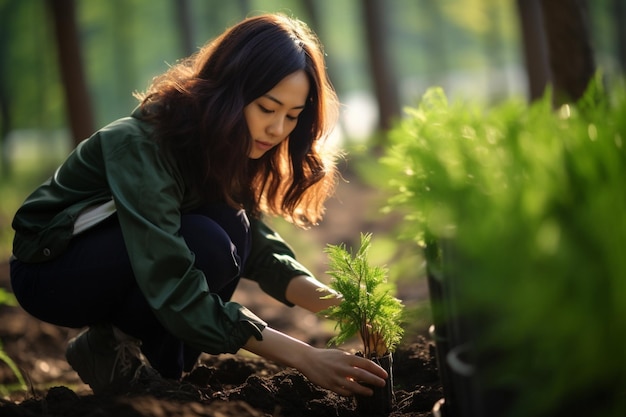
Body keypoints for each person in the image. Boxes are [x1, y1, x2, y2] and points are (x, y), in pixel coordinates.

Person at [9, 13, 388, 397]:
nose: (277, 130)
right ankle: (114, 353)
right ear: (230, 92)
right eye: (267, 108)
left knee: (233, 226)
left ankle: (134, 361)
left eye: (292, 116)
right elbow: (172, 279)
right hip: (52, 269)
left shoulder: (227, 143)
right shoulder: (140, 145)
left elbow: (255, 244)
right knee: (206, 241)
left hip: (129, 255)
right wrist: (307, 358)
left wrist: (342, 308)